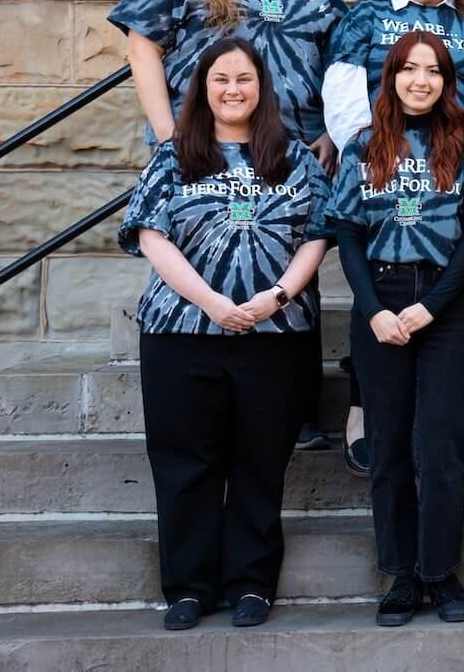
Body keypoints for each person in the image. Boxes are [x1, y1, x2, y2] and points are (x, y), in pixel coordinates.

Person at [109, 0, 346, 452]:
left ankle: (296, 412)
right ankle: (207, 401)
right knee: (211, 257)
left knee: (289, 265)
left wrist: (333, 130)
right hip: (204, 144)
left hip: (289, 150)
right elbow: (142, 44)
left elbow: (340, 58)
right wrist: (169, 133)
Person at [119, 36, 330, 632]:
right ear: (203, 89)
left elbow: (316, 232)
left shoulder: (294, 156)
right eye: (221, 80)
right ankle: (188, 587)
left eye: (244, 79)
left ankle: (252, 584)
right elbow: (151, 237)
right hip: (181, 333)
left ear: (262, 89)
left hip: (276, 333)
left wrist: (277, 296)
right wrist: (213, 302)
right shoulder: (174, 155)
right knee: (186, 463)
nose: (233, 89)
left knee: (259, 462)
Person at [328, 32, 464, 625]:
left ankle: (440, 571)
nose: (420, 80)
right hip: (380, 297)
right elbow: (346, 231)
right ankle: (400, 574)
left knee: (443, 444)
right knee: (390, 444)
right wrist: (373, 308)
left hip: (447, 303)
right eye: (409, 69)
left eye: (433, 71)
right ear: (391, 76)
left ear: (447, 82)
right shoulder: (363, 147)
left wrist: (435, 305)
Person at [322, 0, 464, 476]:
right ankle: (361, 410)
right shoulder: (366, 18)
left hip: (454, 173)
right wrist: (372, 159)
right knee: (377, 280)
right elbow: (345, 91)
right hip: (385, 170)